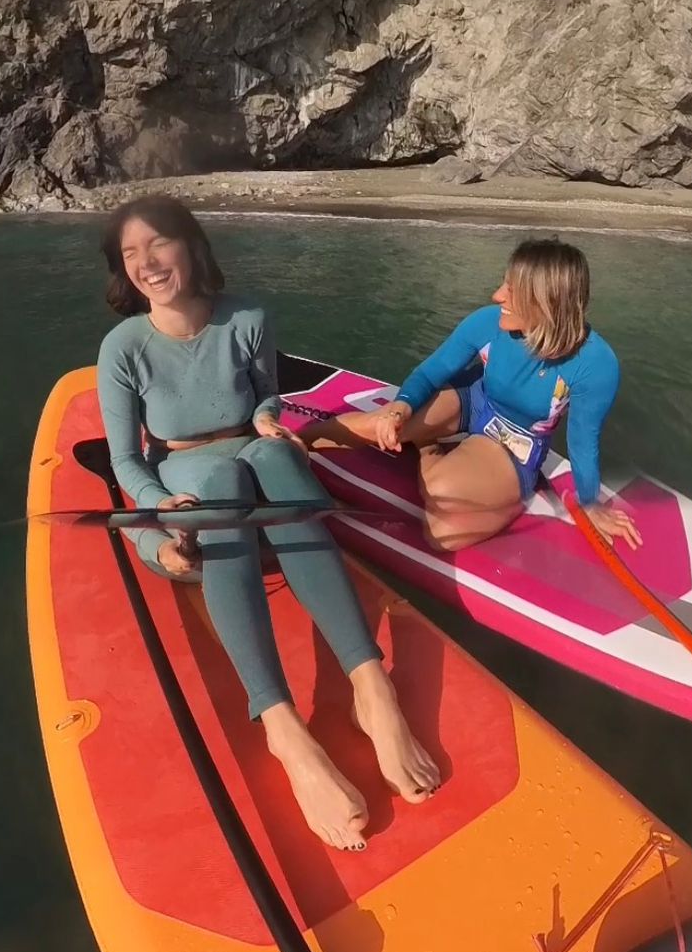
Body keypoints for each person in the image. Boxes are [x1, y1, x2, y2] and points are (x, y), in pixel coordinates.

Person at [96, 194, 439, 852]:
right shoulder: (123, 349)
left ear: (192, 247)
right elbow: (125, 460)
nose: (146, 263)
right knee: (228, 477)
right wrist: (154, 520)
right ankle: (283, 728)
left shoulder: (247, 317)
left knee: (276, 455)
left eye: (157, 244)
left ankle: (372, 689)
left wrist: (266, 418)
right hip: (191, 494)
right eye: (130, 255)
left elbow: (267, 397)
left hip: (260, 478)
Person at [301, 237, 642, 554]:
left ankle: (428, 449)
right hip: (473, 401)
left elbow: (583, 441)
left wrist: (589, 503)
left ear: (546, 302)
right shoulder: (487, 322)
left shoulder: (595, 365)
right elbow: (431, 372)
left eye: (511, 290)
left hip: (515, 444)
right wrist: (401, 408)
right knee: (382, 427)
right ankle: (296, 443)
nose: (497, 296)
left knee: (441, 535)